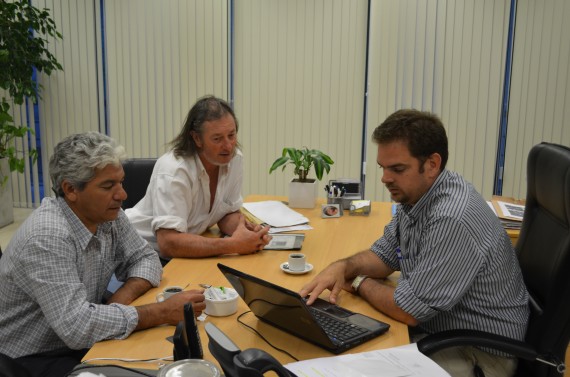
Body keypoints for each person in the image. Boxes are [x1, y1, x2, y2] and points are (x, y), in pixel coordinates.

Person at [300, 109, 529, 377]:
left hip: (480, 352)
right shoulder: (418, 197)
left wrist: (360, 283)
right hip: (444, 331)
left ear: (432, 164)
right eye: (382, 168)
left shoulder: (451, 218)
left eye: (397, 169)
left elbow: (408, 311)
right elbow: (384, 256)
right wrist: (343, 267)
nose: (385, 178)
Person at [0, 132, 205, 377]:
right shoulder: (47, 238)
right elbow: (76, 327)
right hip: (30, 357)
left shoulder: (108, 215)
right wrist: (161, 312)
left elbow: (146, 258)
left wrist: (122, 296)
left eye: (121, 182)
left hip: (77, 338)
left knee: (162, 358)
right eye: (108, 186)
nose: (122, 195)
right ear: (70, 189)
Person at [126, 95, 271, 261]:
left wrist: (245, 231)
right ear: (196, 138)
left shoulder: (235, 159)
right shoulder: (174, 170)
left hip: (185, 249)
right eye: (217, 139)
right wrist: (234, 244)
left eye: (231, 135)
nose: (228, 146)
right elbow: (168, 243)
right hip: (144, 253)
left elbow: (226, 214)